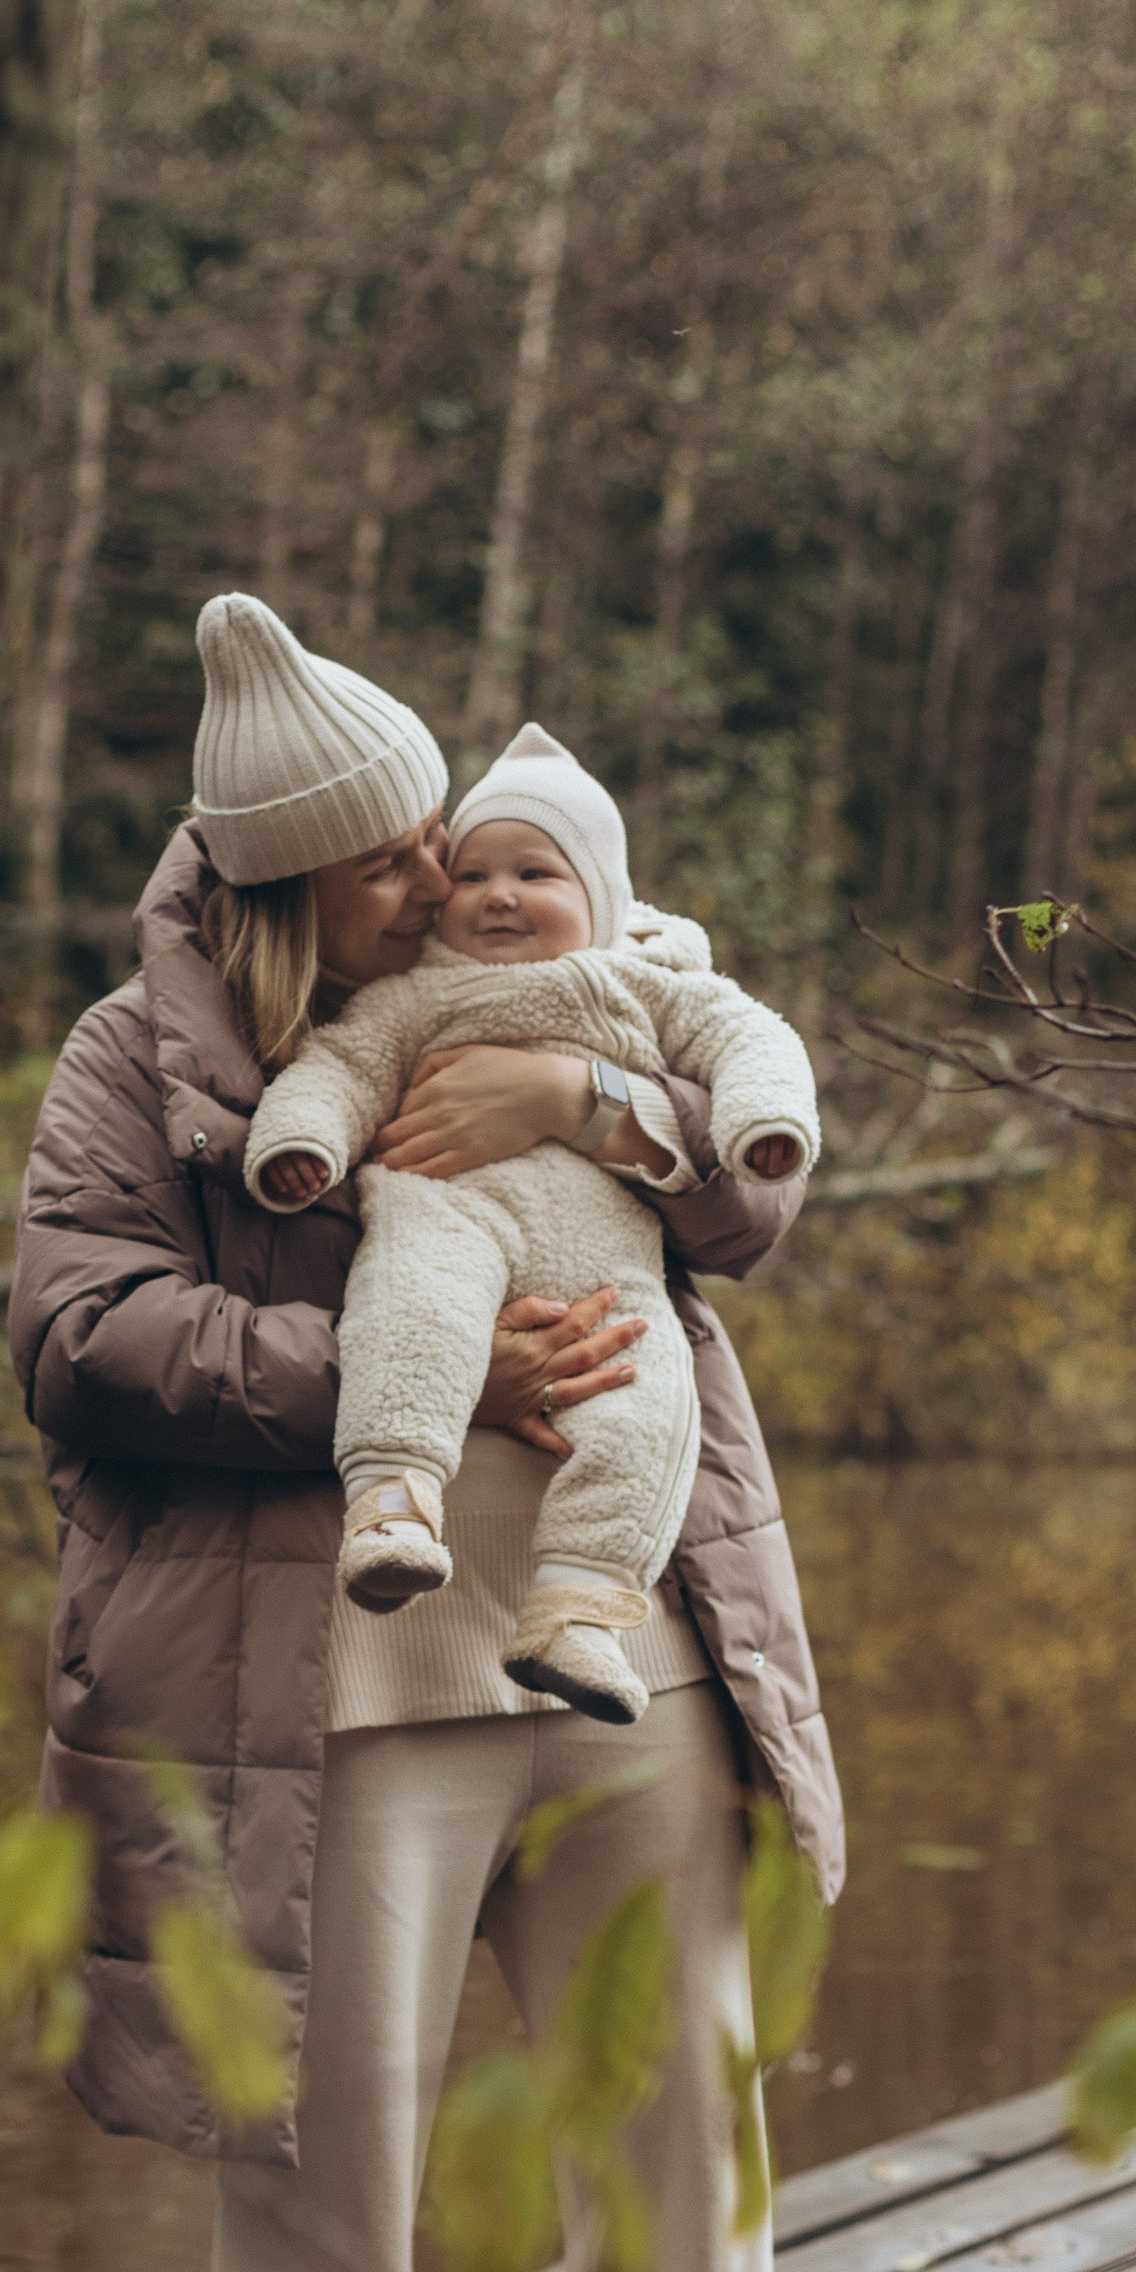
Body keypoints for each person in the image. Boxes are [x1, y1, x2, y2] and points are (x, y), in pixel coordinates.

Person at [8, 590, 849, 2272]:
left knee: (684, 2108)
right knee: (314, 2164)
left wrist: (591, 1097)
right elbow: (78, 1339)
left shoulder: (538, 965)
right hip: (333, 1690)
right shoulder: (144, 1060)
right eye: (390, 851)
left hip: (620, 1641)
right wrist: (409, 1373)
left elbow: (744, 1191)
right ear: (292, 874)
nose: (438, 867)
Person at [244, 721, 821, 1727]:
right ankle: (392, 1502)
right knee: (411, 1319)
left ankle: (580, 1608)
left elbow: (749, 1037)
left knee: (647, 1404)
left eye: (535, 873)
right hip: (442, 1209)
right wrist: (304, 1144)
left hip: (606, 1255)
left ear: (600, 900)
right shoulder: (410, 993)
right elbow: (339, 1070)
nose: (498, 894)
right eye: (471, 876)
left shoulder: (640, 983)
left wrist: (760, 1122)